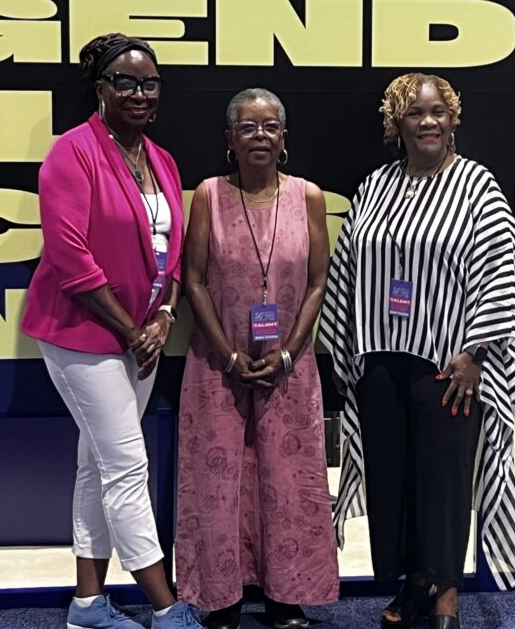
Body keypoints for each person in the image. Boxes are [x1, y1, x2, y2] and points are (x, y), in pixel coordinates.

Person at [319, 73, 515, 629]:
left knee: (443, 478)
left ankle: (446, 594)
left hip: (450, 362)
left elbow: (501, 270)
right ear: (398, 123)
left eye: (438, 111)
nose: (428, 121)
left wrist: (477, 352)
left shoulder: (477, 187)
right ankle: (413, 581)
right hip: (379, 354)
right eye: (415, 112)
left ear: (453, 118)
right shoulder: (376, 186)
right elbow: (347, 265)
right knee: (393, 476)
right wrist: (347, 345)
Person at [21, 33, 202, 629]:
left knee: (96, 465)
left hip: (142, 335)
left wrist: (165, 317)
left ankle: (88, 604)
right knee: (126, 467)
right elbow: (71, 257)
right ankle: (165, 605)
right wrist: (131, 329)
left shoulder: (161, 157)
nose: (139, 93)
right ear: (100, 89)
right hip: (81, 334)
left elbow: (172, 252)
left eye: (149, 83)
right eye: (125, 82)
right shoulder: (71, 154)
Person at [176, 88, 339, 629]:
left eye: (270, 127)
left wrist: (290, 350)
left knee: (288, 480)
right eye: (247, 128)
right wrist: (227, 354)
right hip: (217, 366)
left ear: (284, 138)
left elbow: (318, 281)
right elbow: (194, 280)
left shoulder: (309, 196)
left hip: (290, 368)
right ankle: (219, 598)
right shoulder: (207, 195)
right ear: (230, 140)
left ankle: (285, 598)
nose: (260, 136)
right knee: (217, 481)